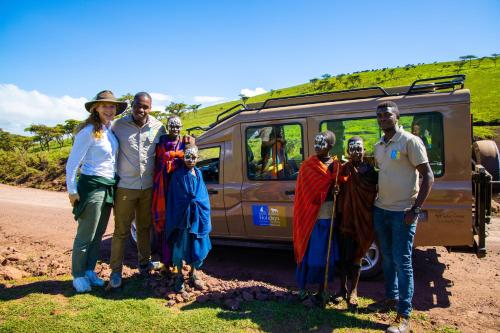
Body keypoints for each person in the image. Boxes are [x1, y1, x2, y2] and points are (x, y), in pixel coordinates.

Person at [368, 101, 434, 333]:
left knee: (402, 260)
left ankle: (403, 315)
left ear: (397, 117)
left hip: (403, 212)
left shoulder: (410, 141)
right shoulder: (378, 145)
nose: (383, 118)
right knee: (386, 257)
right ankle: (391, 297)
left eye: (387, 114)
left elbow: (428, 175)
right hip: (381, 209)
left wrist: (415, 209)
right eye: (379, 115)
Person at [66, 90, 127, 293]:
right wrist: (72, 190)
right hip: (92, 186)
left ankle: (90, 271)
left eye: (112, 106)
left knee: (99, 233)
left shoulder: (109, 131)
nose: (110, 110)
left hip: (108, 186)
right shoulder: (88, 132)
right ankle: (78, 275)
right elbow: (73, 163)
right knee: (86, 234)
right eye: (105, 106)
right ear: (96, 108)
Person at [108, 92, 166, 289]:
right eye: (138, 106)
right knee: (121, 230)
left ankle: (144, 263)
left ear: (151, 108)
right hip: (125, 187)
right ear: (132, 105)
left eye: (146, 107)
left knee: (144, 228)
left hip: (148, 188)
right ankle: (115, 271)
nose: (141, 110)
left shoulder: (159, 127)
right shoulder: (118, 126)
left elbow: (167, 148)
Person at [293, 130, 343, 302]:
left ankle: (324, 288)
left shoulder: (336, 166)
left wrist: (337, 189)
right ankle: (303, 288)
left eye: (321, 143)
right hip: (311, 218)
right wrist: (327, 189)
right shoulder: (308, 166)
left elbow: (342, 183)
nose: (317, 146)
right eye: (315, 142)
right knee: (310, 252)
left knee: (327, 254)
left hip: (330, 216)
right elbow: (305, 193)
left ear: (330, 146)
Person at [334, 136, 378, 307]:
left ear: (364, 150)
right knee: (344, 258)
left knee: (357, 257)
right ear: (347, 152)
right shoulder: (343, 170)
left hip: (364, 219)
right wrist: (335, 189)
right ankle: (341, 289)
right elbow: (336, 190)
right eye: (352, 149)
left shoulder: (371, 172)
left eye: (359, 148)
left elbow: (375, 193)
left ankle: (354, 291)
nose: (356, 152)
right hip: (346, 220)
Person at [166, 145, 212, 292]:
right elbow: (175, 198)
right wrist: (186, 206)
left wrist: (198, 206)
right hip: (182, 220)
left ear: (197, 159)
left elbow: (203, 196)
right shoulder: (177, 175)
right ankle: (179, 275)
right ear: (183, 157)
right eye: (188, 157)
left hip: (197, 218)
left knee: (196, 246)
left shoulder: (199, 174)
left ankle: (194, 274)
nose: (190, 160)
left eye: (193, 157)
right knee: (180, 247)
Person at [152, 116, 194, 270]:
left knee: (178, 224)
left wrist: (177, 155)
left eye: (177, 126)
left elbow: (191, 157)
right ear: (167, 126)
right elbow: (159, 160)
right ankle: (165, 261)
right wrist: (175, 156)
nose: (175, 129)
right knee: (164, 225)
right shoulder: (162, 141)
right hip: (163, 185)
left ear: (181, 127)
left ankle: (177, 261)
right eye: (172, 126)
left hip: (178, 187)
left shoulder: (185, 142)